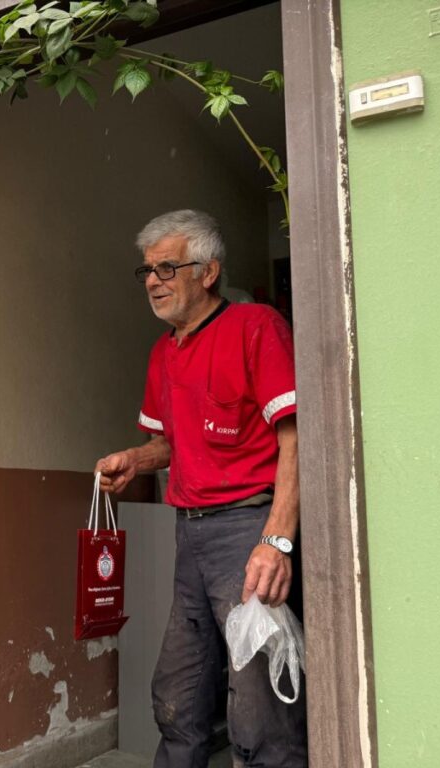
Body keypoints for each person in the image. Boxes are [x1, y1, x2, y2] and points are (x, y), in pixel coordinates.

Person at [96, 210, 307, 767]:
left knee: (259, 706)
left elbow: (297, 437)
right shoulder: (164, 352)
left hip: (248, 531)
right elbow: (171, 444)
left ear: (208, 272)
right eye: (146, 270)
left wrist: (278, 540)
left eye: (168, 267)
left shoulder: (256, 327)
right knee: (177, 695)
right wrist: (133, 459)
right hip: (189, 537)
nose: (153, 281)